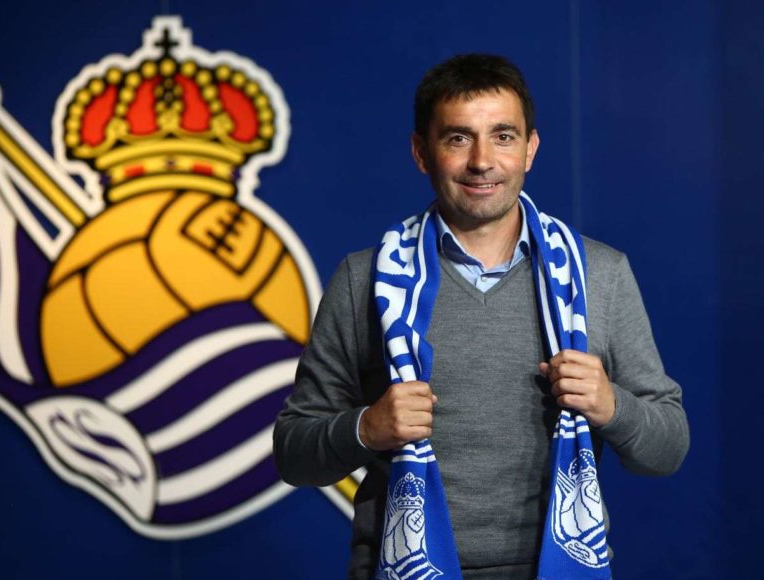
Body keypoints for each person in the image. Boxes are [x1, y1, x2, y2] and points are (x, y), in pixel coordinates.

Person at [273, 53, 689, 579]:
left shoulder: (599, 274)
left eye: (503, 137)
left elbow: (668, 448)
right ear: (421, 152)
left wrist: (612, 406)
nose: (482, 161)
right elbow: (293, 453)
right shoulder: (365, 279)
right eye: (458, 138)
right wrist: (366, 428)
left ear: (530, 149)